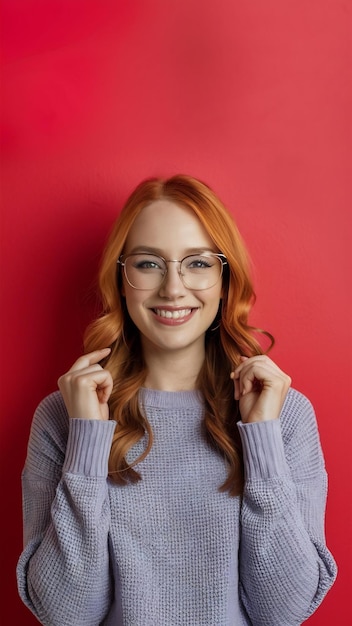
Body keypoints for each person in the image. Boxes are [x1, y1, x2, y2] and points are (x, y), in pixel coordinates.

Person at [17, 174, 337, 626]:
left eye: (198, 264)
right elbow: (65, 614)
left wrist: (261, 439)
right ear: (121, 279)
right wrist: (87, 440)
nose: (172, 288)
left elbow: (282, 612)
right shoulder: (61, 416)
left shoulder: (284, 415)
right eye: (148, 264)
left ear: (225, 280)